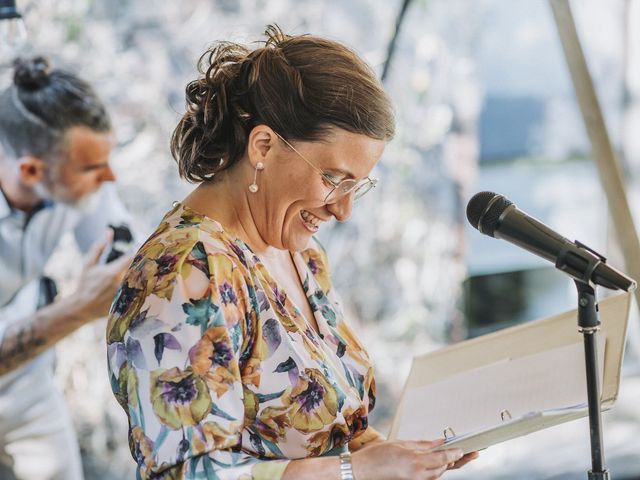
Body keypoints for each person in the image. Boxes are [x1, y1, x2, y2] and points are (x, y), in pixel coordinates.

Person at [106, 26, 478, 480]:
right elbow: (187, 473)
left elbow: (336, 431)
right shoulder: (187, 274)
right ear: (263, 146)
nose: (342, 210)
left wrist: (408, 457)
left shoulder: (302, 255)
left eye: (357, 188)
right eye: (333, 179)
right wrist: (354, 471)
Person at [0, 57, 134, 480]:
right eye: (94, 168)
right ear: (31, 170)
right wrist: (78, 307)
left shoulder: (75, 182)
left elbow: (121, 243)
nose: (109, 177)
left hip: (27, 382)